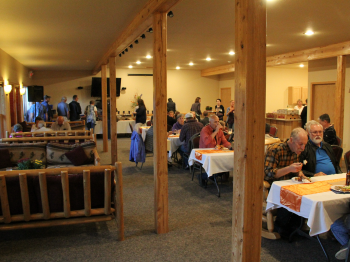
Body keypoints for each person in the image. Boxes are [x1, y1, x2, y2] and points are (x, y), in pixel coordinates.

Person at [264, 127, 308, 237]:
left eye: (305, 145)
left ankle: (297, 225)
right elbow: (268, 174)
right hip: (274, 187)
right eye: (300, 144)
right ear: (291, 140)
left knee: (306, 194)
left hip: (290, 185)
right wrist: (289, 169)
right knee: (290, 198)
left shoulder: (295, 150)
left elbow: (296, 169)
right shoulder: (275, 149)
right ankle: (282, 227)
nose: (303, 148)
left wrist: (300, 174)